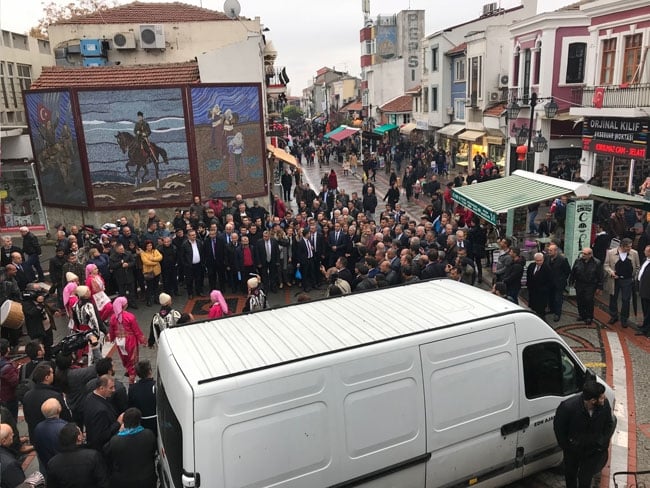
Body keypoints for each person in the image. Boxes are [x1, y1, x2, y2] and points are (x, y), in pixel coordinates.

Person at [553, 381, 614, 488]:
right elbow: (559, 430)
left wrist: (601, 442)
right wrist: (568, 447)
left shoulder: (604, 405)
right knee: (570, 475)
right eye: (601, 398)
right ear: (593, 400)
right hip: (573, 452)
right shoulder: (568, 408)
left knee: (585, 479)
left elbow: (609, 425)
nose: (604, 399)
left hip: (592, 452)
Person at [104, 407, 157, 488]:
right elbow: (153, 451)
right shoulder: (149, 434)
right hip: (147, 479)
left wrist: (119, 432)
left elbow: (106, 452)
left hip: (124, 481)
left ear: (124, 422)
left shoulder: (116, 440)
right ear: (139, 421)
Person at [47, 422, 109, 488]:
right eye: (81, 432)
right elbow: (103, 482)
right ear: (79, 437)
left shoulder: (52, 463)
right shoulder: (93, 456)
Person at [23, 362, 72, 444]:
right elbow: (65, 416)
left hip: (36, 435)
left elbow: (27, 417)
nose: (54, 375)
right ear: (47, 377)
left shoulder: (27, 395)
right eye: (52, 373)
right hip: (54, 435)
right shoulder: (54, 396)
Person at [604, 237, 640, 328]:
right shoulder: (611, 252)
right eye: (628, 247)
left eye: (631, 246)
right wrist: (611, 272)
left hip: (627, 280)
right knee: (613, 298)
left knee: (626, 300)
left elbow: (637, 267)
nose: (630, 249)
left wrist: (634, 277)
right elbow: (606, 265)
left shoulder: (634, 253)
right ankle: (614, 316)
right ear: (622, 246)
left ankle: (624, 319)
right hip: (614, 280)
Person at [108, 297, 146, 384]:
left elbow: (111, 331)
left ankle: (128, 369)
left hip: (119, 340)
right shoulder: (130, 317)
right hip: (130, 341)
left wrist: (112, 338)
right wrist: (143, 341)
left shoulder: (113, 317)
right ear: (124, 306)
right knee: (133, 358)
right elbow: (137, 331)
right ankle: (132, 378)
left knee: (124, 357)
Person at [83, 375, 122, 451]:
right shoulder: (101, 411)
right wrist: (118, 423)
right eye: (111, 388)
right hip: (103, 449)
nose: (114, 390)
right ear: (101, 388)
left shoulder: (90, 396)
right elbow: (102, 435)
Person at [32, 398, 67, 478]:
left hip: (46, 463)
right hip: (62, 466)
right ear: (59, 409)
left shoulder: (38, 427)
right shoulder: (64, 427)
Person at [128, 360, 157, 435]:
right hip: (156, 421)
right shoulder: (155, 386)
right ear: (150, 371)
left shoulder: (132, 388)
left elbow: (131, 405)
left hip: (140, 423)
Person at [547, 243, 572, 322]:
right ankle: (551, 309)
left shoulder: (562, 260)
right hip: (549, 282)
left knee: (558, 299)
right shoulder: (547, 258)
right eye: (548, 250)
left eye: (551, 250)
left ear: (556, 251)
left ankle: (557, 313)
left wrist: (562, 279)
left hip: (559, 283)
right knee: (550, 297)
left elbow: (567, 271)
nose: (549, 252)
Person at [526, 253, 553, 319]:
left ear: (543, 259)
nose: (539, 262)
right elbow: (529, 277)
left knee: (540, 309)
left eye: (540, 260)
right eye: (537, 260)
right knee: (533, 306)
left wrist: (544, 289)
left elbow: (550, 281)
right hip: (532, 291)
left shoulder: (547, 268)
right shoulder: (531, 266)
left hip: (542, 293)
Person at [138, 240, 162, 307]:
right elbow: (146, 262)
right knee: (149, 287)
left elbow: (160, 257)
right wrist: (155, 262)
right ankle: (149, 300)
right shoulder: (143, 253)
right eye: (148, 246)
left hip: (157, 272)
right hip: (149, 272)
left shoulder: (155, 251)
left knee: (156, 286)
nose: (149, 247)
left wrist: (152, 258)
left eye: (150, 245)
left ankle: (156, 299)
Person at [0, 339, 19, 420]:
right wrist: (16, 370)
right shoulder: (7, 367)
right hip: (8, 398)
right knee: (11, 420)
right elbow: (15, 381)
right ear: (7, 349)